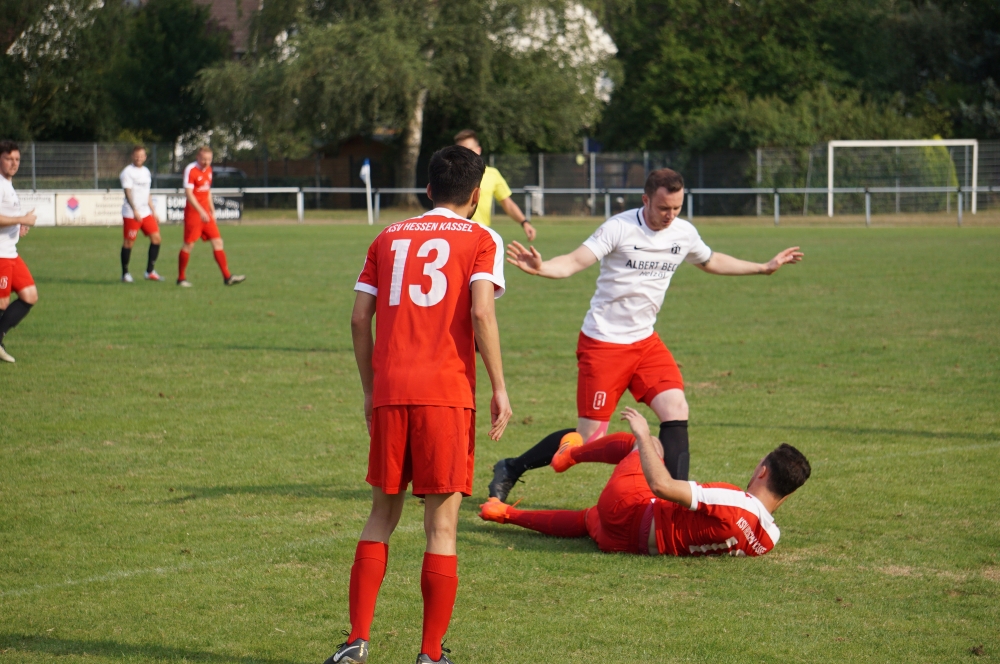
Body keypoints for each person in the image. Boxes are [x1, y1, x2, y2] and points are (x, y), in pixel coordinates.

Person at [489, 168, 803, 502]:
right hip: (603, 343)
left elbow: (710, 260)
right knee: (590, 440)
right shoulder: (619, 228)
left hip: (645, 343)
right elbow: (572, 262)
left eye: (677, 208)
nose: (670, 216)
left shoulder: (682, 233)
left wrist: (763, 267)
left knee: (675, 407)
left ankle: (674, 501)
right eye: (663, 208)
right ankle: (512, 466)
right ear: (645, 200)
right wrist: (542, 267)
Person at [327, 145, 512, 664]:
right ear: (476, 195)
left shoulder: (386, 236)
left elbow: (359, 319)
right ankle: (430, 654)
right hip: (447, 394)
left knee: (379, 517)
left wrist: (370, 388)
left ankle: (355, 641)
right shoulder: (481, 237)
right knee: (443, 527)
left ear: (428, 188)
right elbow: (480, 313)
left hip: (391, 390)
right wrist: (499, 386)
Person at [480, 407, 811, 557]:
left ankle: (568, 456)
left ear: (763, 472)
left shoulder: (735, 500)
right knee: (586, 519)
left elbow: (664, 487)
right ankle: (503, 513)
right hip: (624, 544)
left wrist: (642, 433)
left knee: (649, 446)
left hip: (631, 510)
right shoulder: (769, 538)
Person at [177, 146, 245, 287]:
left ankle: (227, 277)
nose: (206, 162)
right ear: (197, 157)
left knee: (218, 242)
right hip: (194, 213)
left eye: (209, 159)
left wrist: (211, 209)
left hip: (205, 213)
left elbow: (207, 191)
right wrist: (201, 211)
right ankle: (181, 278)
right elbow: (189, 194)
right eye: (203, 159)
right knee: (189, 245)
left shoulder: (209, 170)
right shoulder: (191, 170)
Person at [453, 129, 536, 241]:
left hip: (480, 235)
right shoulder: (450, 174)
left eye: (469, 150)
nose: (464, 155)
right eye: (460, 151)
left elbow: (507, 204)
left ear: (478, 150)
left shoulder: (492, 174)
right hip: (454, 235)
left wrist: (524, 222)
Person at [0, 140, 39, 364]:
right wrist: (21, 219)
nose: (13, 163)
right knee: (2, 304)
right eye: (8, 158)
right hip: (1, 255)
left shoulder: (8, 184)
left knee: (29, 296)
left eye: (16, 159)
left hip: (11, 252)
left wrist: (18, 226)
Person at [119, 145, 162, 282]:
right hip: (131, 214)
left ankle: (149, 272)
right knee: (129, 243)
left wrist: (153, 211)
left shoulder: (146, 172)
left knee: (156, 239)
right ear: (132, 156)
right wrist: (135, 210)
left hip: (145, 213)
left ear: (145, 157)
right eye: (136, 156)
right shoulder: (127, 172)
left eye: (141, 156)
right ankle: (125, 274)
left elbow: (146, 193)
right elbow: (128, 192)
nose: (139, 158)